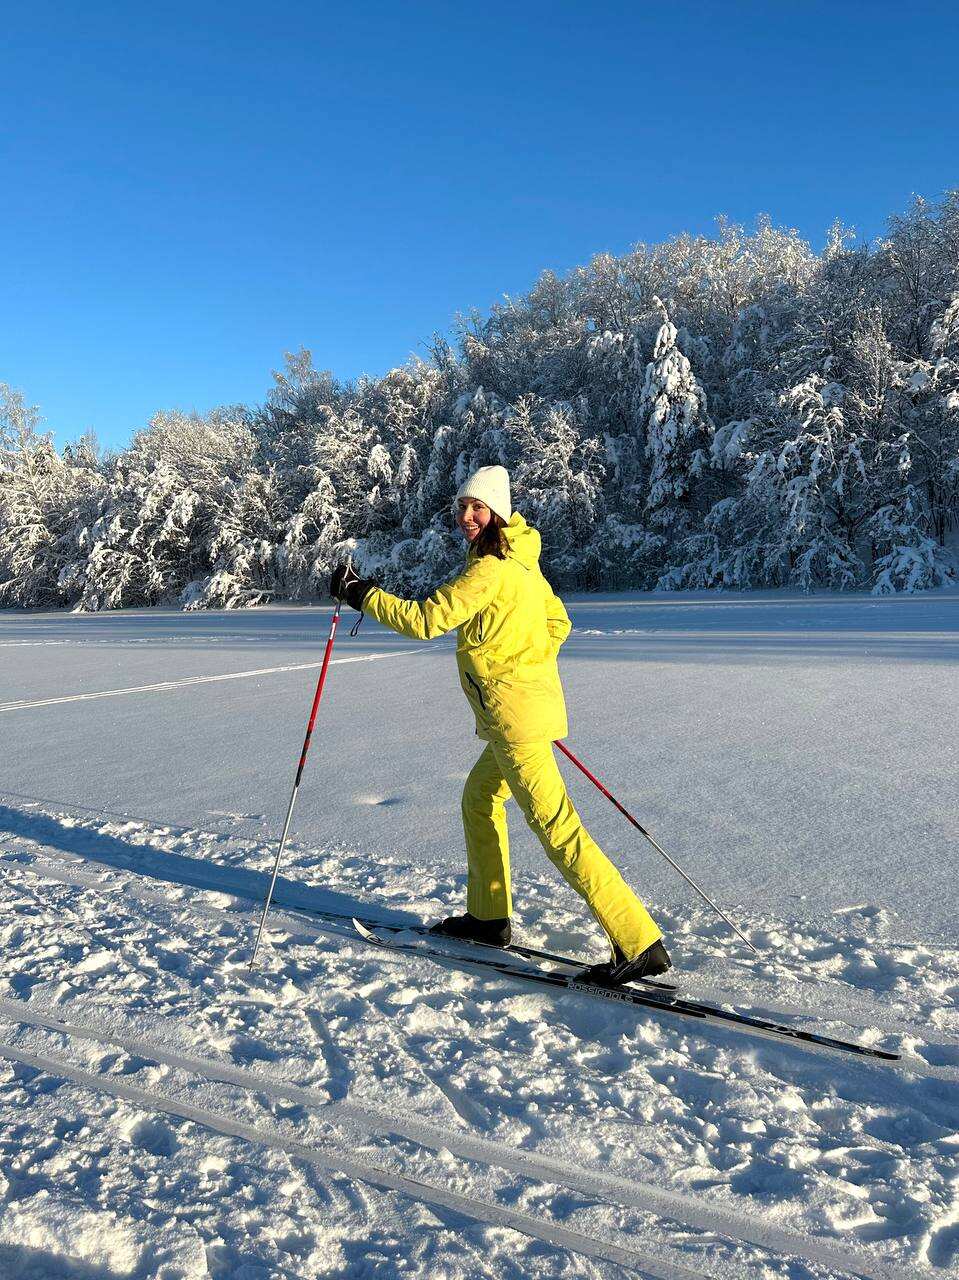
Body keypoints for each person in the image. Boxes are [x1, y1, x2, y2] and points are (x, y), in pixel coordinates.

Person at [330, 465, 671, 985]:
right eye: (462, 507)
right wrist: (524, 665)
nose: (467, 517)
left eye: (478, 507)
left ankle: (637, 941)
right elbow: (558, 623)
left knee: (559, 829)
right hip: (518, 716)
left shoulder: (491, 568)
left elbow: (426, 620)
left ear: (498, 512)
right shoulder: (524, 562)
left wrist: (362, 595)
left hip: (514, 723)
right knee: (479, 798)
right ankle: (488, 917)